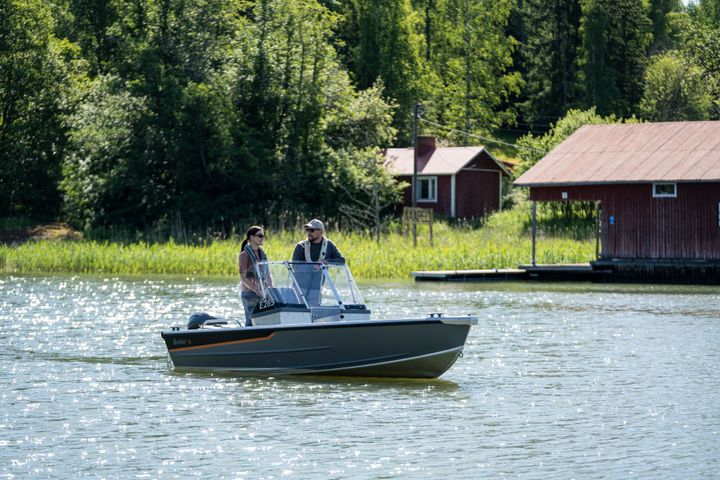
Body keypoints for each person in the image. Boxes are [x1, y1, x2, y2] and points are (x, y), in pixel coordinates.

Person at [291, 219, 344, 306]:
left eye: (312, 230)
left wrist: (326, 262)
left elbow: (341, 260)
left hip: (316, 289)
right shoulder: (301, 246)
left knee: (314, 315)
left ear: (321, 232)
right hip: (299, 288)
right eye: (308, 230)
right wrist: (313, 267)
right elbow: (295, 266)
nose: (309, 233)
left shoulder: (329, 245)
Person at [238, 226, 269, 326]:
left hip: (262, 293)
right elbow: (242, 276)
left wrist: (270, 287)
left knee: (262, 321)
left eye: (263, 236)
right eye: (259, 236)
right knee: (251, 322)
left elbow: (268, 273)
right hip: (249, 293)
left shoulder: (262, 254)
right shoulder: (244, 254)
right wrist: (255, 289)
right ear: (251, 238)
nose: (262, 238)